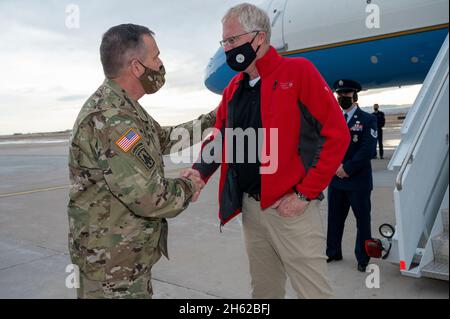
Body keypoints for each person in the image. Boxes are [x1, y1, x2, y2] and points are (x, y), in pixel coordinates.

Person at [183, 3, 350, 299]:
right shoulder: (234, 87)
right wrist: (198, 173)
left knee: (314, 293)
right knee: (264, 291)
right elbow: (221, 139)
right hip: (251, 209)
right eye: (224, 42)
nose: (227, 48)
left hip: (291, 211)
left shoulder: (298, 72)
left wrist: (304, 194)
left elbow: (337, 135)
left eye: (232, 40)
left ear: (259, 37)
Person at [68, 24, 216, 299]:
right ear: (137, 67)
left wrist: (213, 119)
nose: (160, 65)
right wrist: (190, 184)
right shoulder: (112, 119)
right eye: (156, 58)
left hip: (125, 262)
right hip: (111, 272)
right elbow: (149, 197)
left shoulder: (125, 108)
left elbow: (162, 139)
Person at [326, 79, 378, 272]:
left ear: (355, 97)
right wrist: (333, 166)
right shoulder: (333, 119)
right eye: (339, 96)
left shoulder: (367, 119)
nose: (342, 99)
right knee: (334, 218)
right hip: (336, 180)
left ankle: (363, 257)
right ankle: (333, 252)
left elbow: (367, 150)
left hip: (358, 181)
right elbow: (327, 145)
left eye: (346, 96)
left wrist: (347, 168)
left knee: (362, 220)